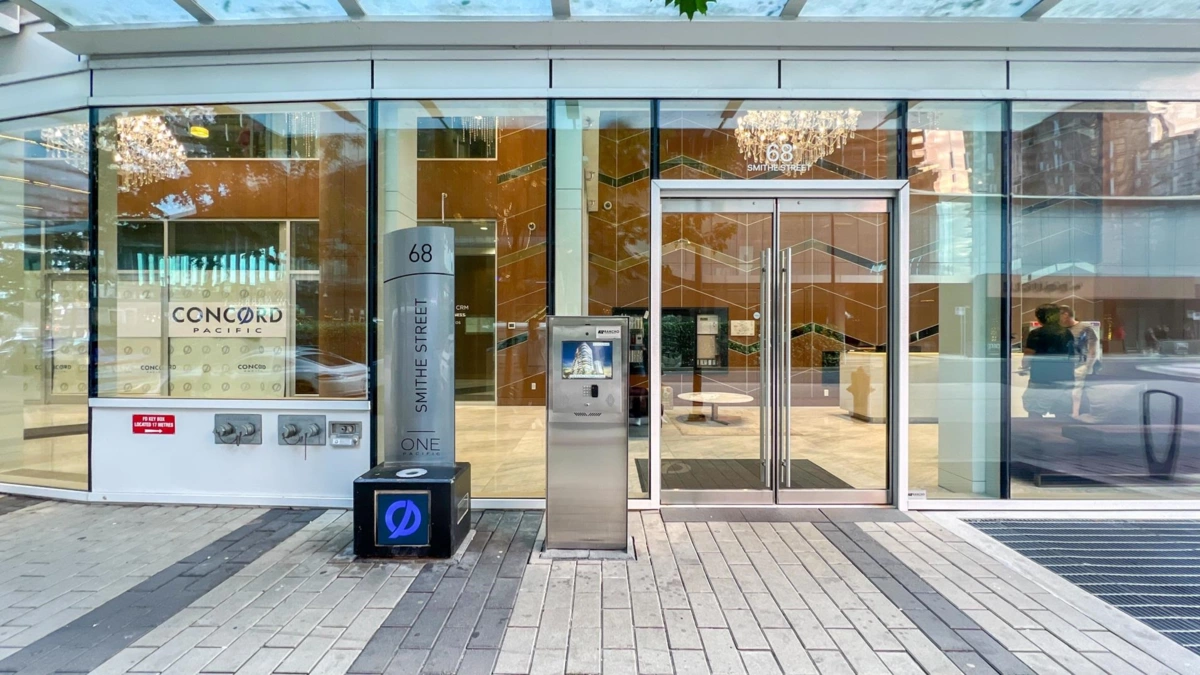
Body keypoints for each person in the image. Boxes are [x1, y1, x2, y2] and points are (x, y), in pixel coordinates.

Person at [1021, 304, 1074, 419]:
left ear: (1040, 318)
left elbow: (1028, 356)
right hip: (1064, 378)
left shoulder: (1036, 334)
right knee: (1062, 414)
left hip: (1041, 378)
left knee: (1035, 412)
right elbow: (1071, 356)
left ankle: (1035, 431)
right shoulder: (1067, 333)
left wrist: (1024, 367)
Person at [1059, 305, 1101, 418]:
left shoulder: (1085, 328)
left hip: (1079, 365)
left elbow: (1092, 349)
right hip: (1064, 366)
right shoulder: (1060, 330)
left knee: (1076, 391)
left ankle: (1075, 414)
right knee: (1065, 391)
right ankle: (1066, 414)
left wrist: (1087, 367)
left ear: (1065, 314)